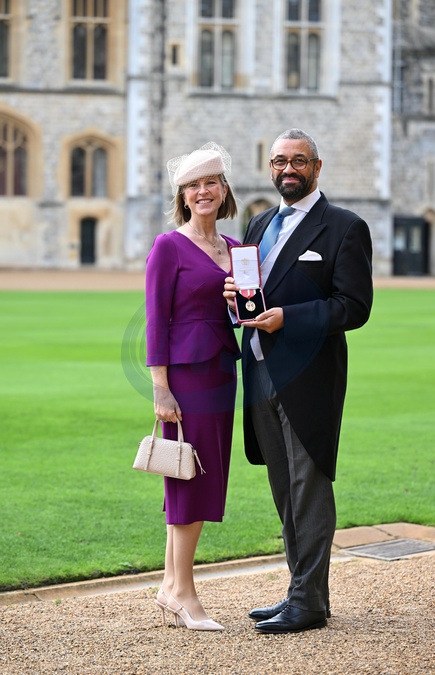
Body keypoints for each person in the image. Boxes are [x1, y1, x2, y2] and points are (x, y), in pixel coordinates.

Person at [224, 128, 373, 634]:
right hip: (259, 369)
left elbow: (353, 307)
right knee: (284, 487)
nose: (288, 169)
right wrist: (237, 296)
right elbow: (256, 290)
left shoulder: (345, 227)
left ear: (317, 167)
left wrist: (288, 317)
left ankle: (307, 604)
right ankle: (302, 592)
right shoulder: (260, 222)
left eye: (299, 161)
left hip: (310, 376)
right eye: (279, 161)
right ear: (270, 167)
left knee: (308, 486)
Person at [145, 142, 241, 631]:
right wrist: (160, 388)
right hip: (185, 378)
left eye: (211, 183)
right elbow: (155, 320)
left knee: (198, 472)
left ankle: (169, 586)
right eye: (193, 186)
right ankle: (184, 592)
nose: (203, 192)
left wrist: (241, 305)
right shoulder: (169, 246)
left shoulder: (239, 250)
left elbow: (247, 314)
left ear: (224, 190)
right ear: (182, 196)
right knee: (190, 477)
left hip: (222, 372)